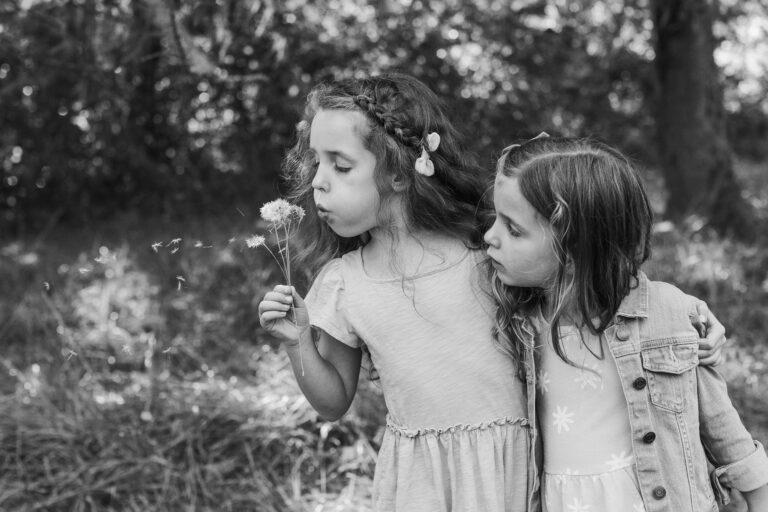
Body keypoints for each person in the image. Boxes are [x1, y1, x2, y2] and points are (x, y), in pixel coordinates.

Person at [257, 74, 726, 512]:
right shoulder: (344, 283)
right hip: (423, 479)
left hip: (520, 466)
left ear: (400, 173)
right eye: (316, 162)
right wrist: (299, 341)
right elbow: (332, 400)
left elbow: (590, 286)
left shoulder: (486, 251)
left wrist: (686, 316)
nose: (317, 180)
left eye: (340, 166)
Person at [484, 135, 768, 512]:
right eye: (495, 219)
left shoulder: (668, 314)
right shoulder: (516, 321)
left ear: (574, 247)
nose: (489, 236)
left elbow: (721, 426)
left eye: (513, 229)